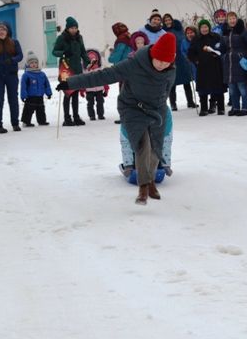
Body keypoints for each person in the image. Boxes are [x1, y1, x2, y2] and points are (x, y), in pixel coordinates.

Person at [57, 32, 177, 205]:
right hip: (132, 108)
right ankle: (143, 188)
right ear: (153, 54)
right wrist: (71, 83)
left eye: (166, 62)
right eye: (159, 60)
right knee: (143, 142)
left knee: (156, 145)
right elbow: (104, 75)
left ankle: (150, 182)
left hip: (155, 109)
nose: (161, 65)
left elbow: (164, 93)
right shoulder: (135, 64)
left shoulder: (170, 71)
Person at [0, 21, 23, 133]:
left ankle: (15, 123)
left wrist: (12, 60)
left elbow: (20, 55)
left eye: (3, 30)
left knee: (13, 99)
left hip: (11, 75)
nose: (0, 32)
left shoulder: (14, 42)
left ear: (8, 31)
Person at [52, 16, 89, 126]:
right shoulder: (61, 38)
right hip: (66, 69)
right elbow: (54, 51)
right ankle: (67, 118)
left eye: (75, 28)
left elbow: (83, 51)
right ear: (67, 28)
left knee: (76, 93)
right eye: (71, 28)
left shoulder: (79, 38)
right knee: (68, 93)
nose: (74, 30)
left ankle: (76, 116)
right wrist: (63, 53)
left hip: (77, 68)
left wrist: (88, 62)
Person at [188, 19, 225, 116]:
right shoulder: (196, 39)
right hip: (202, 67)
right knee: (203, 89)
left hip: (215, 65)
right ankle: (204, 108)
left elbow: (222, 48)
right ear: (199, 29)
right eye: (202, 27)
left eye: (206, 27)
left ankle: (221, 108)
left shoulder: (216, 37)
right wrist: (196, 60)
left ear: (209, 27)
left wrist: (217, 54)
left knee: (218, 87)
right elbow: (191, 53)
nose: (204, 29)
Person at [221, 12, 247, 116]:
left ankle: (244, 108)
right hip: (228, 63)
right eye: (230, 19)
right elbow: (222, 47)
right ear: (227, 20)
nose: (232, 21)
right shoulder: (225, 32)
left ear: (236, 19)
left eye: (233, 18)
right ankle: (235, 107)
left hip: (240, 62)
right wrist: (219, 52)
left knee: (242, 87)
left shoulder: (242, 31)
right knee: (232, 88)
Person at [163, 13, 195, 110]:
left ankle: (190, 102)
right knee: (172, 83)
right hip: (171, 59)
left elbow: (185, 40)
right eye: (166, 20)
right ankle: (173, 104)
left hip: (182, 59)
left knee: (187, 82)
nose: (168, 22)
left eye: (169, 20)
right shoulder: (163, 32)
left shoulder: (179, 29)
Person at [19, 51, 52, 127]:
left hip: (40, 95)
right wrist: (23, 95)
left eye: (35, 63)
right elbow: (23, 86)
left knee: (41, 109)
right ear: (28, 64)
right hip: (30, 96)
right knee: (28, 109)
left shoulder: (42, 74)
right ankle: (26, 121)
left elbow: (46, 84)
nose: (34, 64)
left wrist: (48, 93)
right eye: (31, 63)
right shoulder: (26, 75)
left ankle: (42, 121)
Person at [82, 49, 109, 121]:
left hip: (99, 89)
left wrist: (106, 89)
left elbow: (104, 80)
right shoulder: (86, 71)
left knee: (100, 102)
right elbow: (83, 81)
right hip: (89, 90)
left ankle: (100, 114)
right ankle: (91, 115)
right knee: (90, 103)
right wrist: (82, 90)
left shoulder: (100, 70)